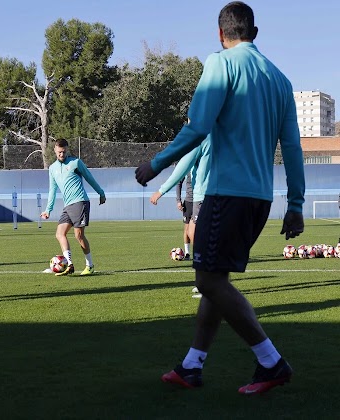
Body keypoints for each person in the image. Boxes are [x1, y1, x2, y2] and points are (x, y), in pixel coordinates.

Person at [135, 2, 305, 394]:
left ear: (220, 33)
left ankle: (271, 361)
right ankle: (192, 365)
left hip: (226, 193)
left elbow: (197, 127)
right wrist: (295, 203)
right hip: (260, 199)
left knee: (209, 281)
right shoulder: (279, 79)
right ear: (255, 33)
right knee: (215, 278)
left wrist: (157, 164)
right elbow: (293, 147)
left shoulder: (220, 63)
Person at [151, 138, 212, 298]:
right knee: (194, 233)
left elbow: (179, 171)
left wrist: (161, 190)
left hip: (203, 195)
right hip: (208, 195)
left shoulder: (200, 140)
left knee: (198, 236)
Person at [41, 139, 106, 276]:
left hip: (80, 202)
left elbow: (89, 177)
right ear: (55, 150)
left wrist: (101, 192)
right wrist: (48, 209)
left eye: (64, 151)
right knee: (60, 234)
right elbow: (52, 189)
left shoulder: (75, 163)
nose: (61, 154)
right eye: (59, 152)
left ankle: (90, 265)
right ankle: (69, 264)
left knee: (79, 236)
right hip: (68, 205)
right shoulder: (52, 168)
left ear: (67, 150)